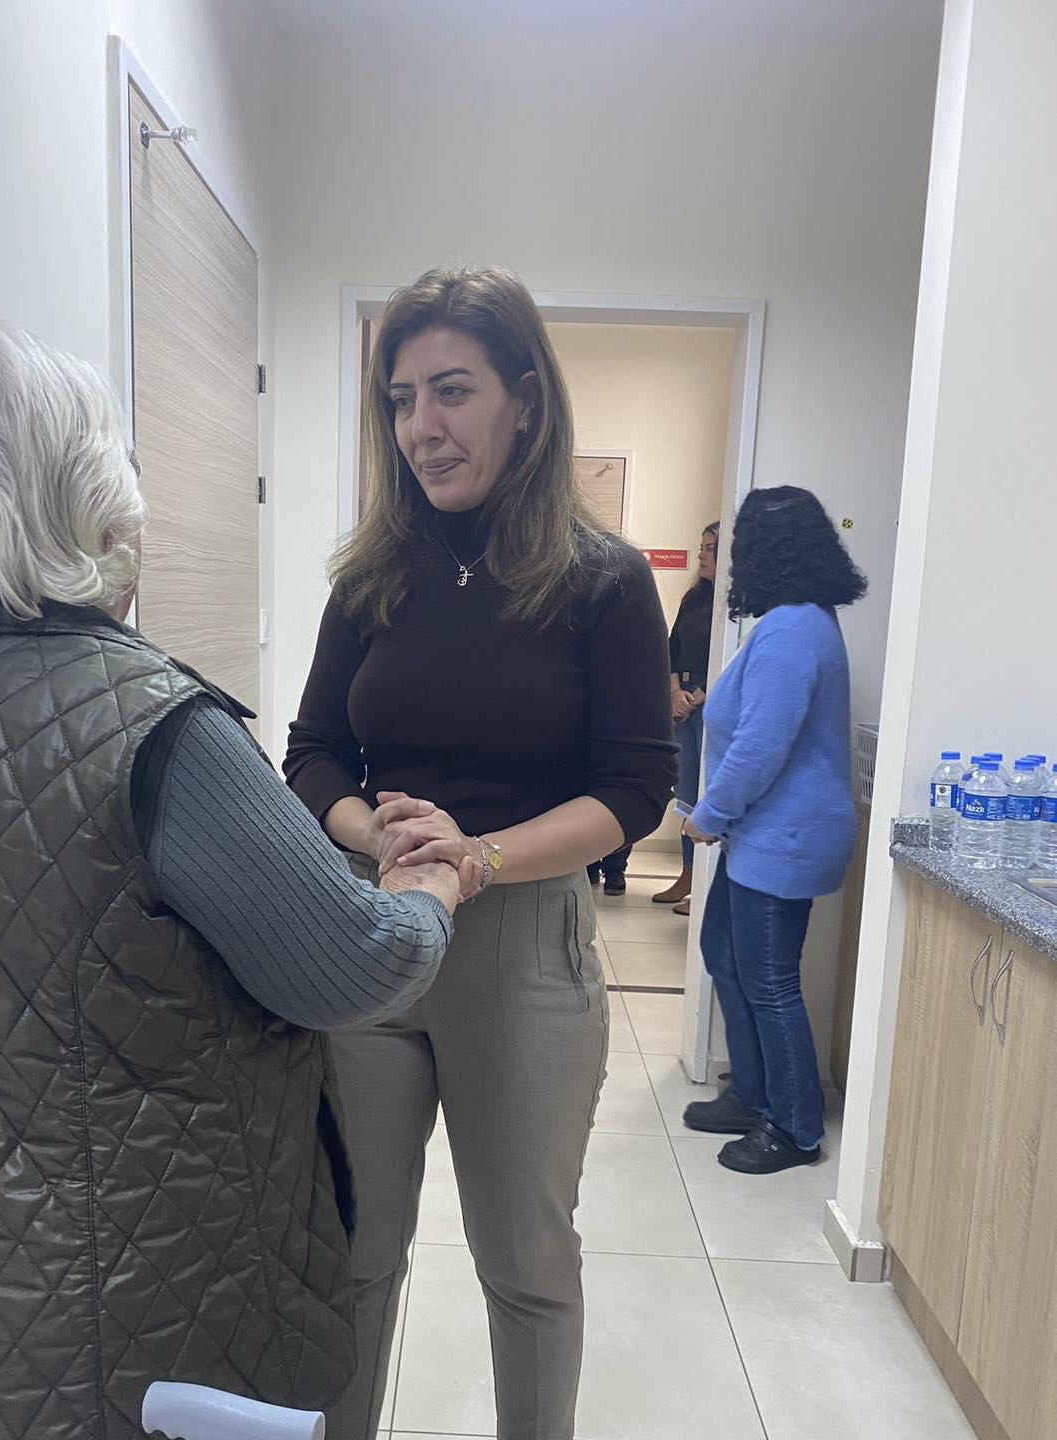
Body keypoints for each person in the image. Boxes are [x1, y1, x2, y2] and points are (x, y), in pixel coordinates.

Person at [0, 314, 464, 1440]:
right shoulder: (153, 729)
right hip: (122, 1322)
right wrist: (432, 888)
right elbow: (354, 968)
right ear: (87, 503)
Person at [285, 266, 677, 1440]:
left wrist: (476, 859)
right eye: (401, 399)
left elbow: (634, 791)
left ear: (525, 399)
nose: (422, 426)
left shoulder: (602, 581)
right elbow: (312, 756)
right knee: (354, 1254)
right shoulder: (370, 578)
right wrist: (380, 836)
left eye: (451, 390)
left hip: (520, 949)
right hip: (370, 939)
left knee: (526, 1264)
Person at [681, 486, 865, 1175]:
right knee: (724, 953)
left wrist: (707, 816)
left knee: (768, 980)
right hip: (766, 836)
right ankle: (753, 1096)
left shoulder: (793, 630)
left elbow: (762, 746)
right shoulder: (799, 622)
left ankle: (793, 1129)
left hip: (783, 839)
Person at [653, 522, 720, 914]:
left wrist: (699, 696)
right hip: (684, 700)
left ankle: (704, 880)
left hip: (710, 700)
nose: (701, 554)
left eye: (709, 548)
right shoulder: (694, 599)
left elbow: (727, 658)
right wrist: (676, 691)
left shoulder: (730, 606)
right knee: (686, 792)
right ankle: (688, 873)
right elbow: (672, 648)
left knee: (709, 787)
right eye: (701, 547)